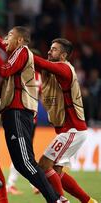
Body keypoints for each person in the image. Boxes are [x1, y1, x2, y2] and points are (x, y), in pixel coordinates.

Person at [0, 26, 68, 203]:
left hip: (18, 110)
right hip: (13, 111)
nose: (6, 39)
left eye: (10, 35)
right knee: (22, 164)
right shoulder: (17, 50)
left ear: (20, 40)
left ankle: (56, 199)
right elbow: (4, 45)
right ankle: (56, 198)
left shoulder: (22, 50)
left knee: (26, 162)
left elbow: (5, 69)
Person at [34, 38, 98, 203]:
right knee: (56, 171)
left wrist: (21, 51)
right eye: (50, 47)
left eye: (54, 49)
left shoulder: (64, 68)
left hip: (72, 130)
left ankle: (61, 200)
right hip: (71, 130)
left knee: (44, 165)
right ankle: (89, 201)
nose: (49, 51)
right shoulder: (57, 70)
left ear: (63, 55)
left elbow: (41, 64)